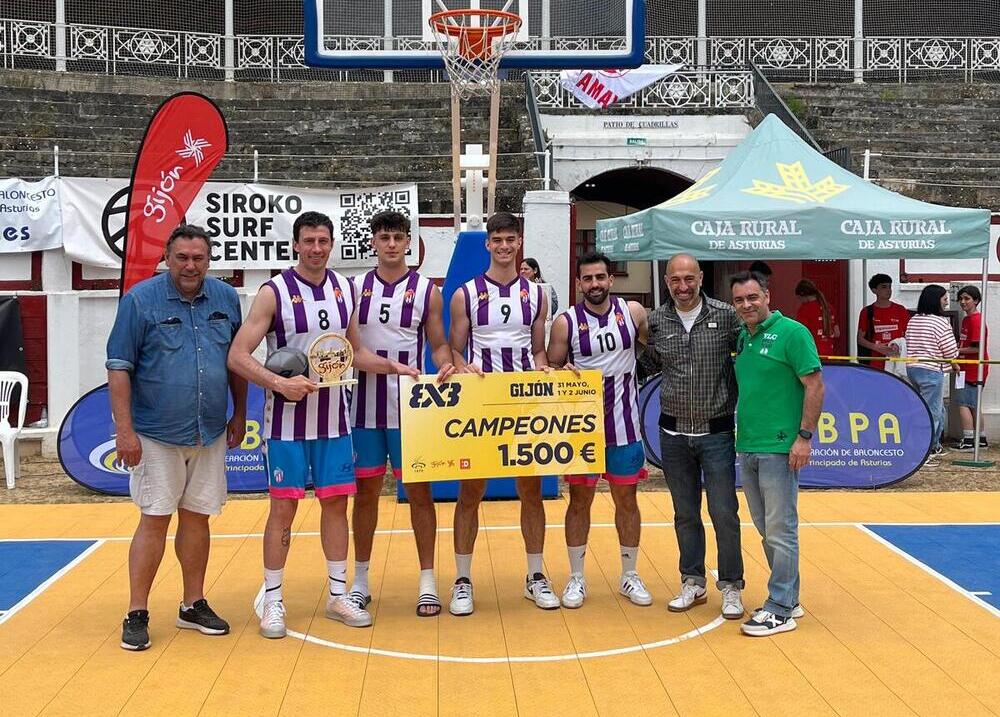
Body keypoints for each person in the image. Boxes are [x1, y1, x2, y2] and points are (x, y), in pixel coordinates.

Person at [227, 211, 418, 639]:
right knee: (283, 510)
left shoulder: (343, 289)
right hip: (286, 426)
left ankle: (337, 595)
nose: (316, 248)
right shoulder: (273, 292)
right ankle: (273, 600)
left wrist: (396, 368)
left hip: (335, 424)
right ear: (295, 244)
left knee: (336, 506)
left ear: (332, 245)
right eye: (309, 240)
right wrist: (279, 383)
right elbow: (238, 355)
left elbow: (355, 351)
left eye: (323, 241)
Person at [107, 223, 247, 651]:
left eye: (198, 258)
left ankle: (193, 603)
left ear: (209, 260)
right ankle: (136, 611)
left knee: (198, 517)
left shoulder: (226, 299)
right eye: (182, 257)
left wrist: (240, 413)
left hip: (209, 431)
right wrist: (124, 431)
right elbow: (118, 367)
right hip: (155, 434)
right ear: (167, 258)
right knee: (154, 518)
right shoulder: (140, 301)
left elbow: (236, 361)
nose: (190, 265)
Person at [348, 210, 456, 617]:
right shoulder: (354, 287)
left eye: (398, 237)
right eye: (384, 237)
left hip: (412, 406)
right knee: (366, 496)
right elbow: (347, 347)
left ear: (409, 242)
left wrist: (445, 365)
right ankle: (360, 580)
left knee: (420, 494)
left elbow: (439, 343)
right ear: (373, 242)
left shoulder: (427, 290)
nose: (391, 244)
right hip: (365, 405)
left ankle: (427, 581)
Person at [448, 212, 554, 615]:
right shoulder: (466, 293)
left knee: (531, 489)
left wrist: (543, 366)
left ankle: (535, 575)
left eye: (512, 240)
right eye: (498, 240)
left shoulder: (538, 294)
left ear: (519, 243)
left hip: (524, 402)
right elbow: (457, 349)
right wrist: (461, 366)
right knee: (470, 491)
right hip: (482, 402)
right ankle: (462, 579)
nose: (505, 246)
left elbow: (539, 348)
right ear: (488, 244)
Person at [642, 253, 745, 619]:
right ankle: (693, 582)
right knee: (684, 514)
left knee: (723, 512)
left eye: (689, 278)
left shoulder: (726, 315)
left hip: (716, 433)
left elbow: (751, 359)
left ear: (700, 277)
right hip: (672, 435)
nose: (682, 287)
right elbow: (644, 362)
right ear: (667, 281)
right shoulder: (656, 320)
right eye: (675, 280)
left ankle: (731, 586)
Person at [546, 251, 651, 609]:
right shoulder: (566, 323)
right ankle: (576, 577)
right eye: (587, 279)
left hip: (624, 426)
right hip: (582, 430)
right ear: (579, 284)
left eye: (600, 277)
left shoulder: (633, 313)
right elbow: (551, 368)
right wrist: (561, 371)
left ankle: (629, 574)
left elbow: (659, 351)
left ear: (611, 279)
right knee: (579, 502)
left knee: (627, 501)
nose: (595, 284)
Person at [731, 270, 823, 637]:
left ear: (767, 295)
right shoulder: (744, 337)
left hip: (780, 447)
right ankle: (790, 598)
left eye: (752, 297)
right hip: (749, 444)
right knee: (766, 529)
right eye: (739, 300)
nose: (747, 305)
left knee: (781, 530)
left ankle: (781, 607)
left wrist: (804, 437)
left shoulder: (793, 333)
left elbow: (814, 385)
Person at [904, 284, 958, 464]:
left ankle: (933, 446)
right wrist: (953, 360)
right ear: (936, 301)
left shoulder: (913, 319)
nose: (946, 303)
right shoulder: (941, 322)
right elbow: (950, 350)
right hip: (931, 369)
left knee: (931, 408)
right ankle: (923, 451)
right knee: (932, 412)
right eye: (944, 299)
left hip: (913, 368)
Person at [956, 285, 989, 451]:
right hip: (964, 367)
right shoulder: (966, 319)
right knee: (973, 404)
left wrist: (955, 349)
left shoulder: (976, 320)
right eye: (961, 299)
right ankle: (980, 439)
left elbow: (976, 347)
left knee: (964, 403)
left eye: (967, 298)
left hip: (973, 368)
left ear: (976, 300)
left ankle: (968, 440)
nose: (963, 302)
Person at [857, 273, 910, 371]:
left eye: (890, 287)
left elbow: (910, 335)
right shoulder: (867, 311)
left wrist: (899, 345)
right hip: (874, 363)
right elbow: (860, 339)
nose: (888, 290)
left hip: (897, 363)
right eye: (884, 287)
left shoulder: (901, 310)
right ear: (874, 290)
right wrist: (876, 347)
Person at [794, 279, 840, 359]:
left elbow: (799, 333)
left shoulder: (805, 309)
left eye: (799, 298)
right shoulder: (830, 308)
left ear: (803, 296)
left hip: (812, 354)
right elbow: (837, 333)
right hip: (830, 355)